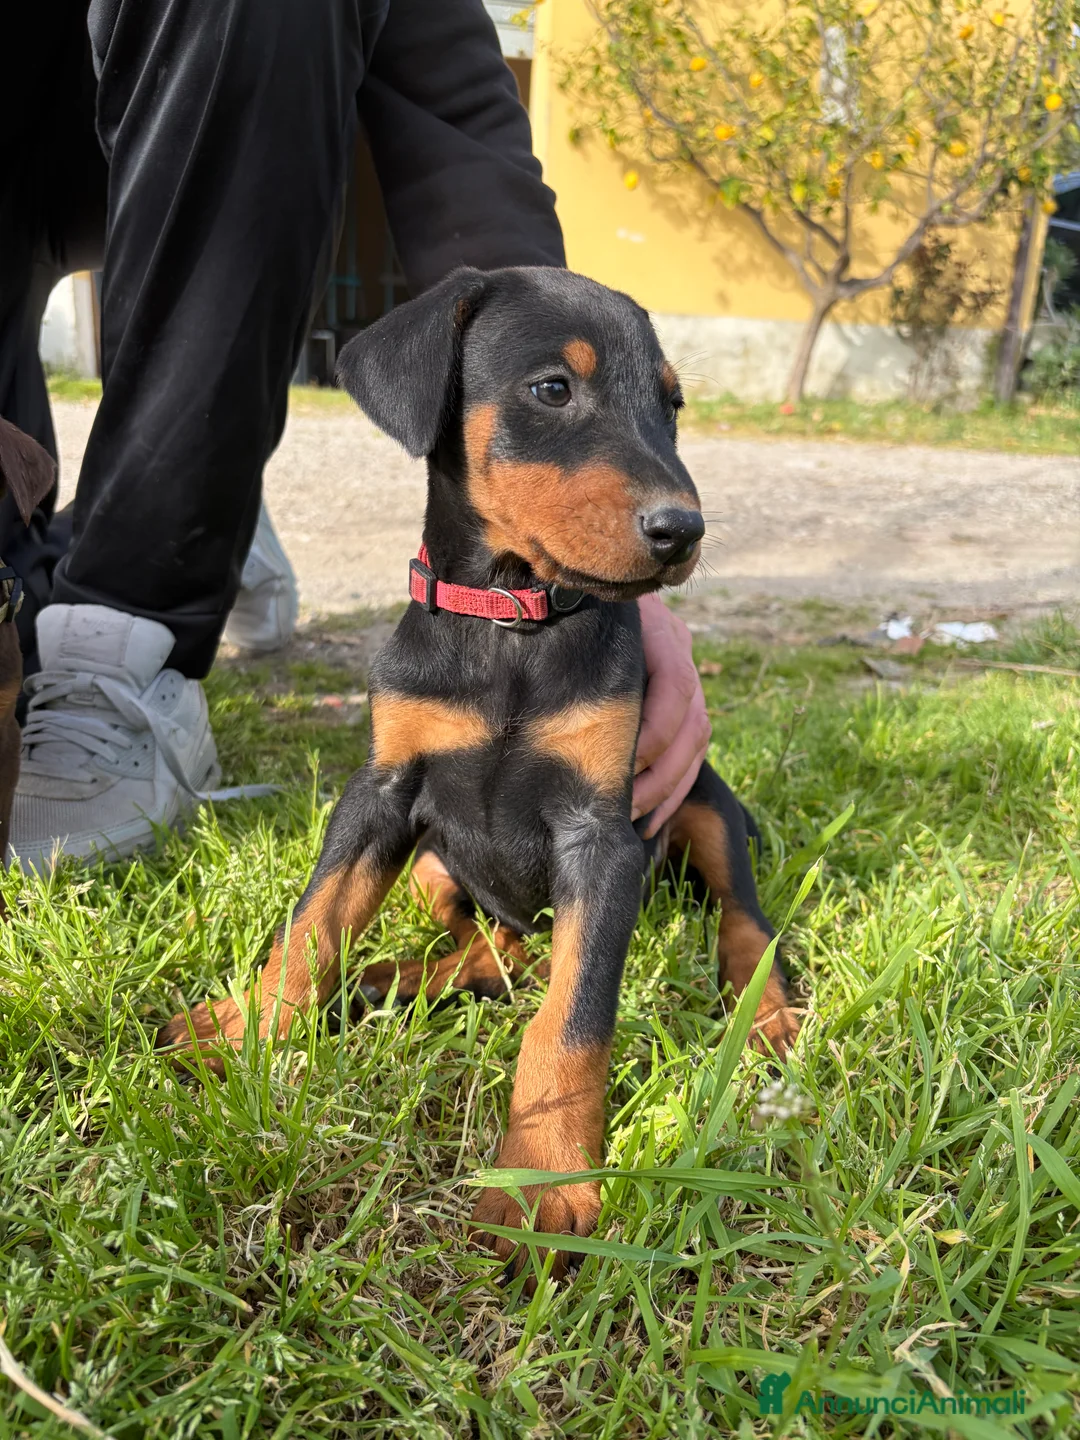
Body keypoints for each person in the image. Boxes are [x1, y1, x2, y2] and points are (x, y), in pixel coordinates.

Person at [1, 0, 709, 871]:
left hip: (177, 101)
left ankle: (144, 582)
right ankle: (193, 492)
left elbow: (456, 116)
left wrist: (614, 572)